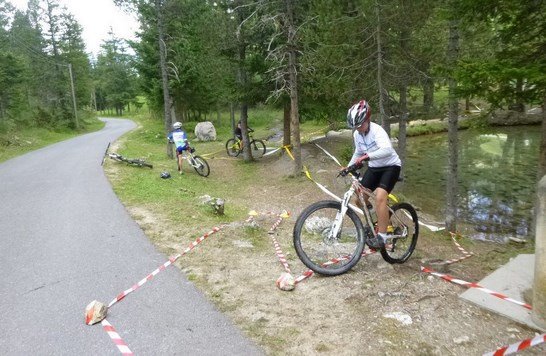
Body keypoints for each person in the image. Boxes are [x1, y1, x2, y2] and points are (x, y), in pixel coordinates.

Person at [344, 99, 401, 249]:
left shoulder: (377, 131)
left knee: (381, 198)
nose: (358, 129)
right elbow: (358, 152)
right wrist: (348, 167)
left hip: (391, 166)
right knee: (359, 199)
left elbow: (387, 150)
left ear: (367, 119)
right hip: (375, 168)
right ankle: (376, 220)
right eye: (355, 127)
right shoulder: (358, 134)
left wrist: (367, 156)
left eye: (360, 125)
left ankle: (382, 237)